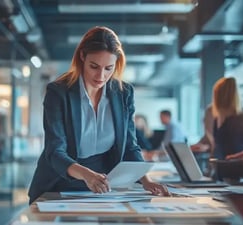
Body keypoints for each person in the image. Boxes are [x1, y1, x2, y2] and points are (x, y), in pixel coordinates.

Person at [28, 26, 169, 204]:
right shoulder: (58, 92)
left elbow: (129, 146)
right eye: (94, 66)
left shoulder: (123, 93)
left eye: (108, 68)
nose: (101, 76)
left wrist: (146, 180)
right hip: (59, 183)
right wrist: (86, 174)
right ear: (82, 57)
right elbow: (55, 151)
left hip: (101, 187)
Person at [212, 77, 243, 160]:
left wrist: (234, 157)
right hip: (221, 169)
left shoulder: (241, 119)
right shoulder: (216, 120)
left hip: (238, 169)